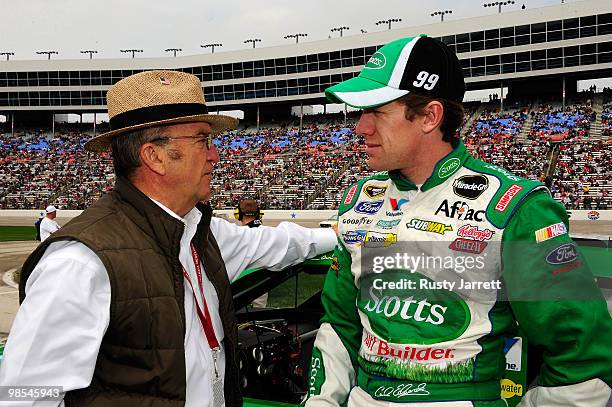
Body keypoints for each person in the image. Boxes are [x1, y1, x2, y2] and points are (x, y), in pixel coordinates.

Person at [304, 36, 611, 407]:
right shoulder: (358, 201)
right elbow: (340, 323)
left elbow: (583, 357)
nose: (360, 128)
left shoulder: (515, 207)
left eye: (378, 112)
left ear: (430, 117)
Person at [0, 70, 337, 407]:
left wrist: (348, 232)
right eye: (203, 140)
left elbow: (282, 245)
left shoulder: (203, 233)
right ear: (154, 156)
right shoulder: (80, 262)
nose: (215, 155)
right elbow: (22, 395)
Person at [237, 199, 267, 308]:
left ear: (238, 214)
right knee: (259, 313)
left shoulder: (236, 234)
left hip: (239, 279)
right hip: (262, 279)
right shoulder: (267, 232)